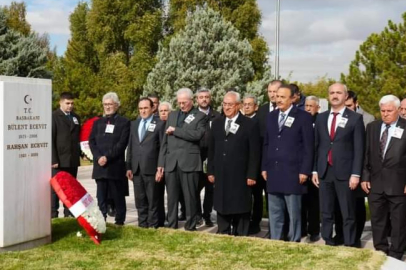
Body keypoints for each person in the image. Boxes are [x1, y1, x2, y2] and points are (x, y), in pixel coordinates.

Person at [312, 83, 365, 247]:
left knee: (347, 212)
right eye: (332, 93)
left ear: (345, 95)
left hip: (345, 173)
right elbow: (317, 145)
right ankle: (328, 240)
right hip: (324, 171)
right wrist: (314, 170)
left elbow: (359, 149)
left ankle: (349, 243)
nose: (335, 95)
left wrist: (356, 174)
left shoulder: (355, 118)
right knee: (326, 211)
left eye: (338, 93)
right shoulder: (321, 117)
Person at [262, 85, 314, 242]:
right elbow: (267, 143)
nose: (278, 99)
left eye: (282, 97)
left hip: (293, 172)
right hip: (274, 171)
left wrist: (305, 170)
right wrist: (264, 166)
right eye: (277, 96)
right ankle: (276, 240)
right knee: (275, 210)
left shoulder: (303, 117)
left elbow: (308, 147)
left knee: (294, 212)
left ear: (292, 98)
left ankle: (294, 240)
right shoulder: (271, 116)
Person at [207, 91, 260, 236]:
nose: (226, 107)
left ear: (238, 105)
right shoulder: (217, 123)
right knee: (222, 202)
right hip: (221, 173)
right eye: (224, 104)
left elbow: (254, 153)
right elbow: (211, 149)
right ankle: (223, 230)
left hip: (241, 174)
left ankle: (240, 232)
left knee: (240, 203)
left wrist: (252, 174)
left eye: (230, 104)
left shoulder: (249, 124)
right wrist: (210, 171)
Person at [362, 95, 406, 260]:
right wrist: (365, 176)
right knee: (377, 219)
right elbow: (367, 154)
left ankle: (396, 253)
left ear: (397, 110)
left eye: (389, 110)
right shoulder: (372, 127)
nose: (385, 114)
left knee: (398, 221)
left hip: (398, 183)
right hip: (375, 182)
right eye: (383, 110)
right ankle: (380, 249)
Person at [157, 88, 207, 231]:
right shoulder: (172, 115)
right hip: (171, 162)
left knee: (190, 196)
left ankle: (190, 225)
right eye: (179, 102)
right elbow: (164, 142)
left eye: (184, 102)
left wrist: (176, 131)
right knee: (171, 197)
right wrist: (161, 163)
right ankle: (172, 224)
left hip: (189, 162)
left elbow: (197, 135)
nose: (182, 105)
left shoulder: (200, 116)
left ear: (192, 101)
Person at [89, 92, 130, 225]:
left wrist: (107, 157)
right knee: (101, 197)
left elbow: (121, 144)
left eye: (110, 104)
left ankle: (119, 221)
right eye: (105, 104)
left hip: (115, 166)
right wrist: (99, 157)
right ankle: (101, 221)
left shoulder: (124, 122)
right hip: (100, 166)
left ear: (117, 105)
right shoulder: (98, 123)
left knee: (117, 196)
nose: (107, 107)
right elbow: (92, 141)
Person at [126, 98, 165, 228]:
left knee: (153, 200)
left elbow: (163, 148)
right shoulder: (134, 124)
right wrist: (128, 166)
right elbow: (131, 146)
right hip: (136, 169)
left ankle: (153, 225)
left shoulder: (159, 124)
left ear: (153, 108)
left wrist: (160, 167)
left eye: (145, 108)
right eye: (141, 108)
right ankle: (142, 225)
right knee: (140, 200)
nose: (143, 111)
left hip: (151, 169)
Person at [51, 92, 81, 218]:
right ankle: (53, 214)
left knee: (70, 188)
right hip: (58, 160)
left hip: (72, 160)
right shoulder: (53, 116)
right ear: (60, 103)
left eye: (72, 103)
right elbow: (50, 138)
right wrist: (53, 159)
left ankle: (69, 213)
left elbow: (77, 138)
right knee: (55, 189)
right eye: (67, 103)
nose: (70, 106)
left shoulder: (76, 117)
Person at [196, 87, 220, 227]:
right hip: (196, 157)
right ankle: (198, 215)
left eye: (206, 97)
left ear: (210, 98)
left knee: (210, 189)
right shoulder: (192, 116)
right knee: (196, 188)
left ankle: (207, 215)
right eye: (201, 97)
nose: (204, 99)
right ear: (197, 99)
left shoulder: (217, 116)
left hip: (212, 157)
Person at [302, 96, 321, 242]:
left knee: (314, 202)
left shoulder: (320, 121)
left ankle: (314, 230)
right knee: (301, 200)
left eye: (311, 106)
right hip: (302, 166)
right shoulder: (301, 119)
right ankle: (301, 229)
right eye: (306, 105)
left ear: (317, 108)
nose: (308, 108)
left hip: (316, 168)